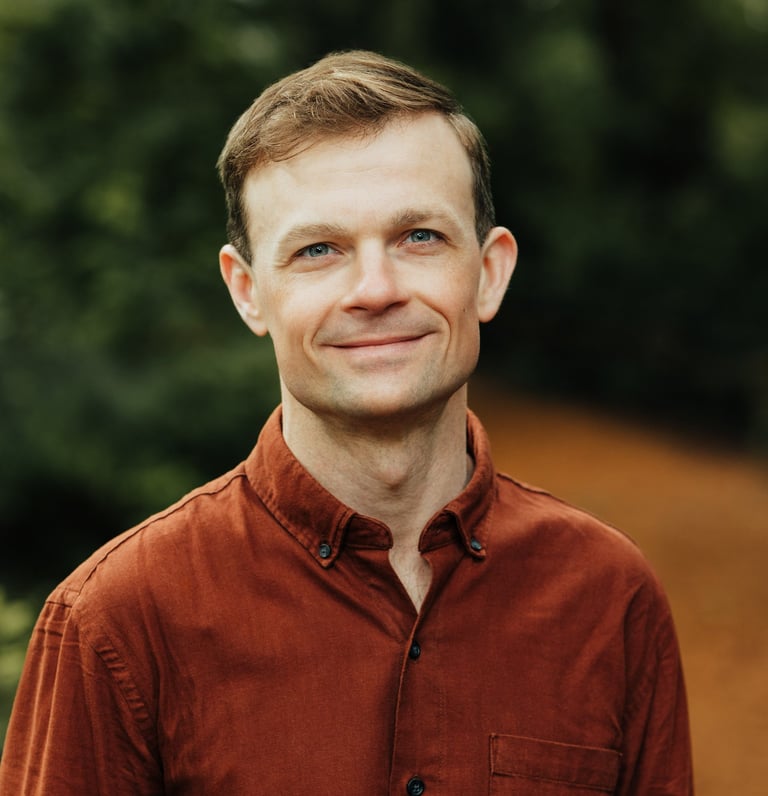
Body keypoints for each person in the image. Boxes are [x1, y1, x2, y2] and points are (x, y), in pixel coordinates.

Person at [0, 50, 693, 794]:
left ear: (489, 272)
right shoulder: (119, 621)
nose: (374, 289)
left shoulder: (607, 596)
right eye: (318, 250)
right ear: (248, 292)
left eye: (419, 237)